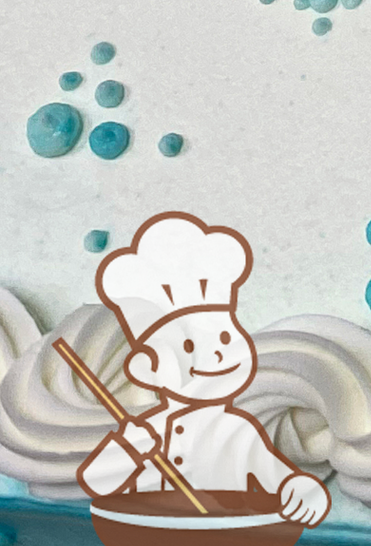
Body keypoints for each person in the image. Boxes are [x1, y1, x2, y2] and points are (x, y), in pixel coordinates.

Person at [76, 211, 329, 526]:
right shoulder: (147, 432)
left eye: (224, 338)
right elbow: (95, 480)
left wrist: (299, 489)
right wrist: (128, 445)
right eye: (189, 348)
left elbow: (279, 476)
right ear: (146, 369)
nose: (218, 357)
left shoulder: (239, 428)